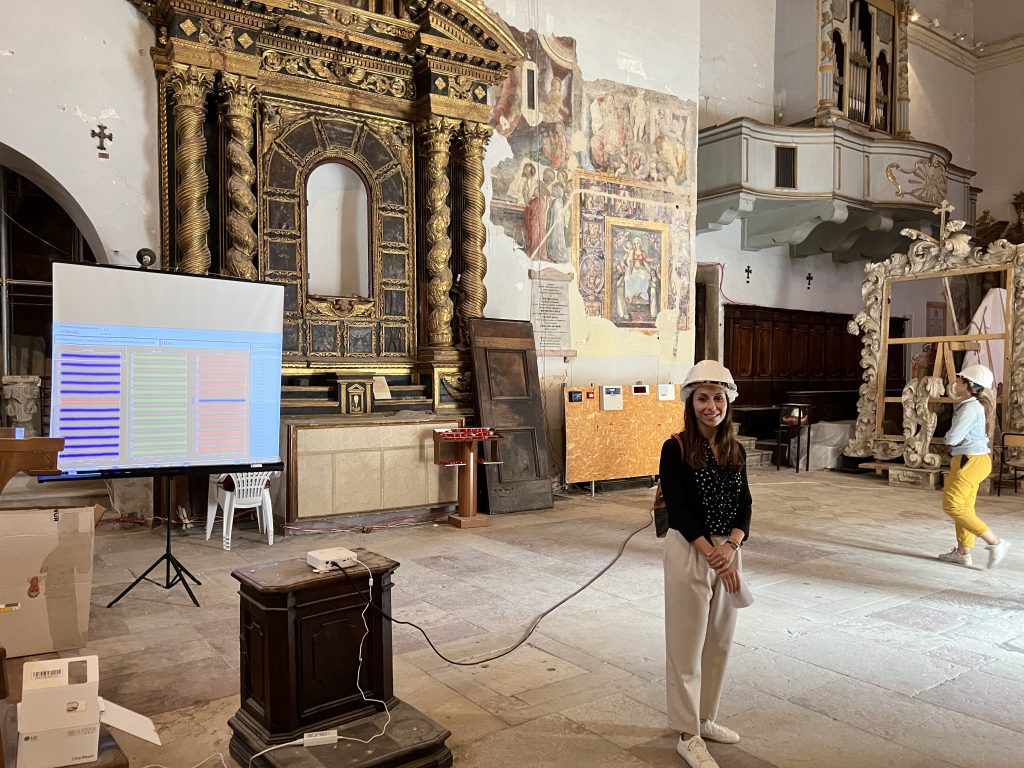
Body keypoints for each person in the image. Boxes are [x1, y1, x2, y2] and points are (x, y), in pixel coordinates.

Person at [660, 360, 752, 768]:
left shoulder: (736, 449)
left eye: (717, 397)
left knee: (719, 640)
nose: (711, 405)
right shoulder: (676, 447)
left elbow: (745, 504)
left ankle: (706, 717)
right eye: (702, 398)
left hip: (727, 552)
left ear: (728, 401)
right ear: (690, 402)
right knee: (686, 643)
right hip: (689, 550)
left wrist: (731, 546)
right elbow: (678, 509)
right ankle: (686, 732)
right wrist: (710, 552)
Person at [937, 364, 1011, 568]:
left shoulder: (969, 408)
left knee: (952, 505)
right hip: (977, 460)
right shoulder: (973, 405)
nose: (956, 382)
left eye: (960, 380)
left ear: (968, 385)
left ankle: (995, 542)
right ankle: (963, 552)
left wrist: (946, 438)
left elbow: (953, 438)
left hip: (968, 461)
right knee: (965, 507)